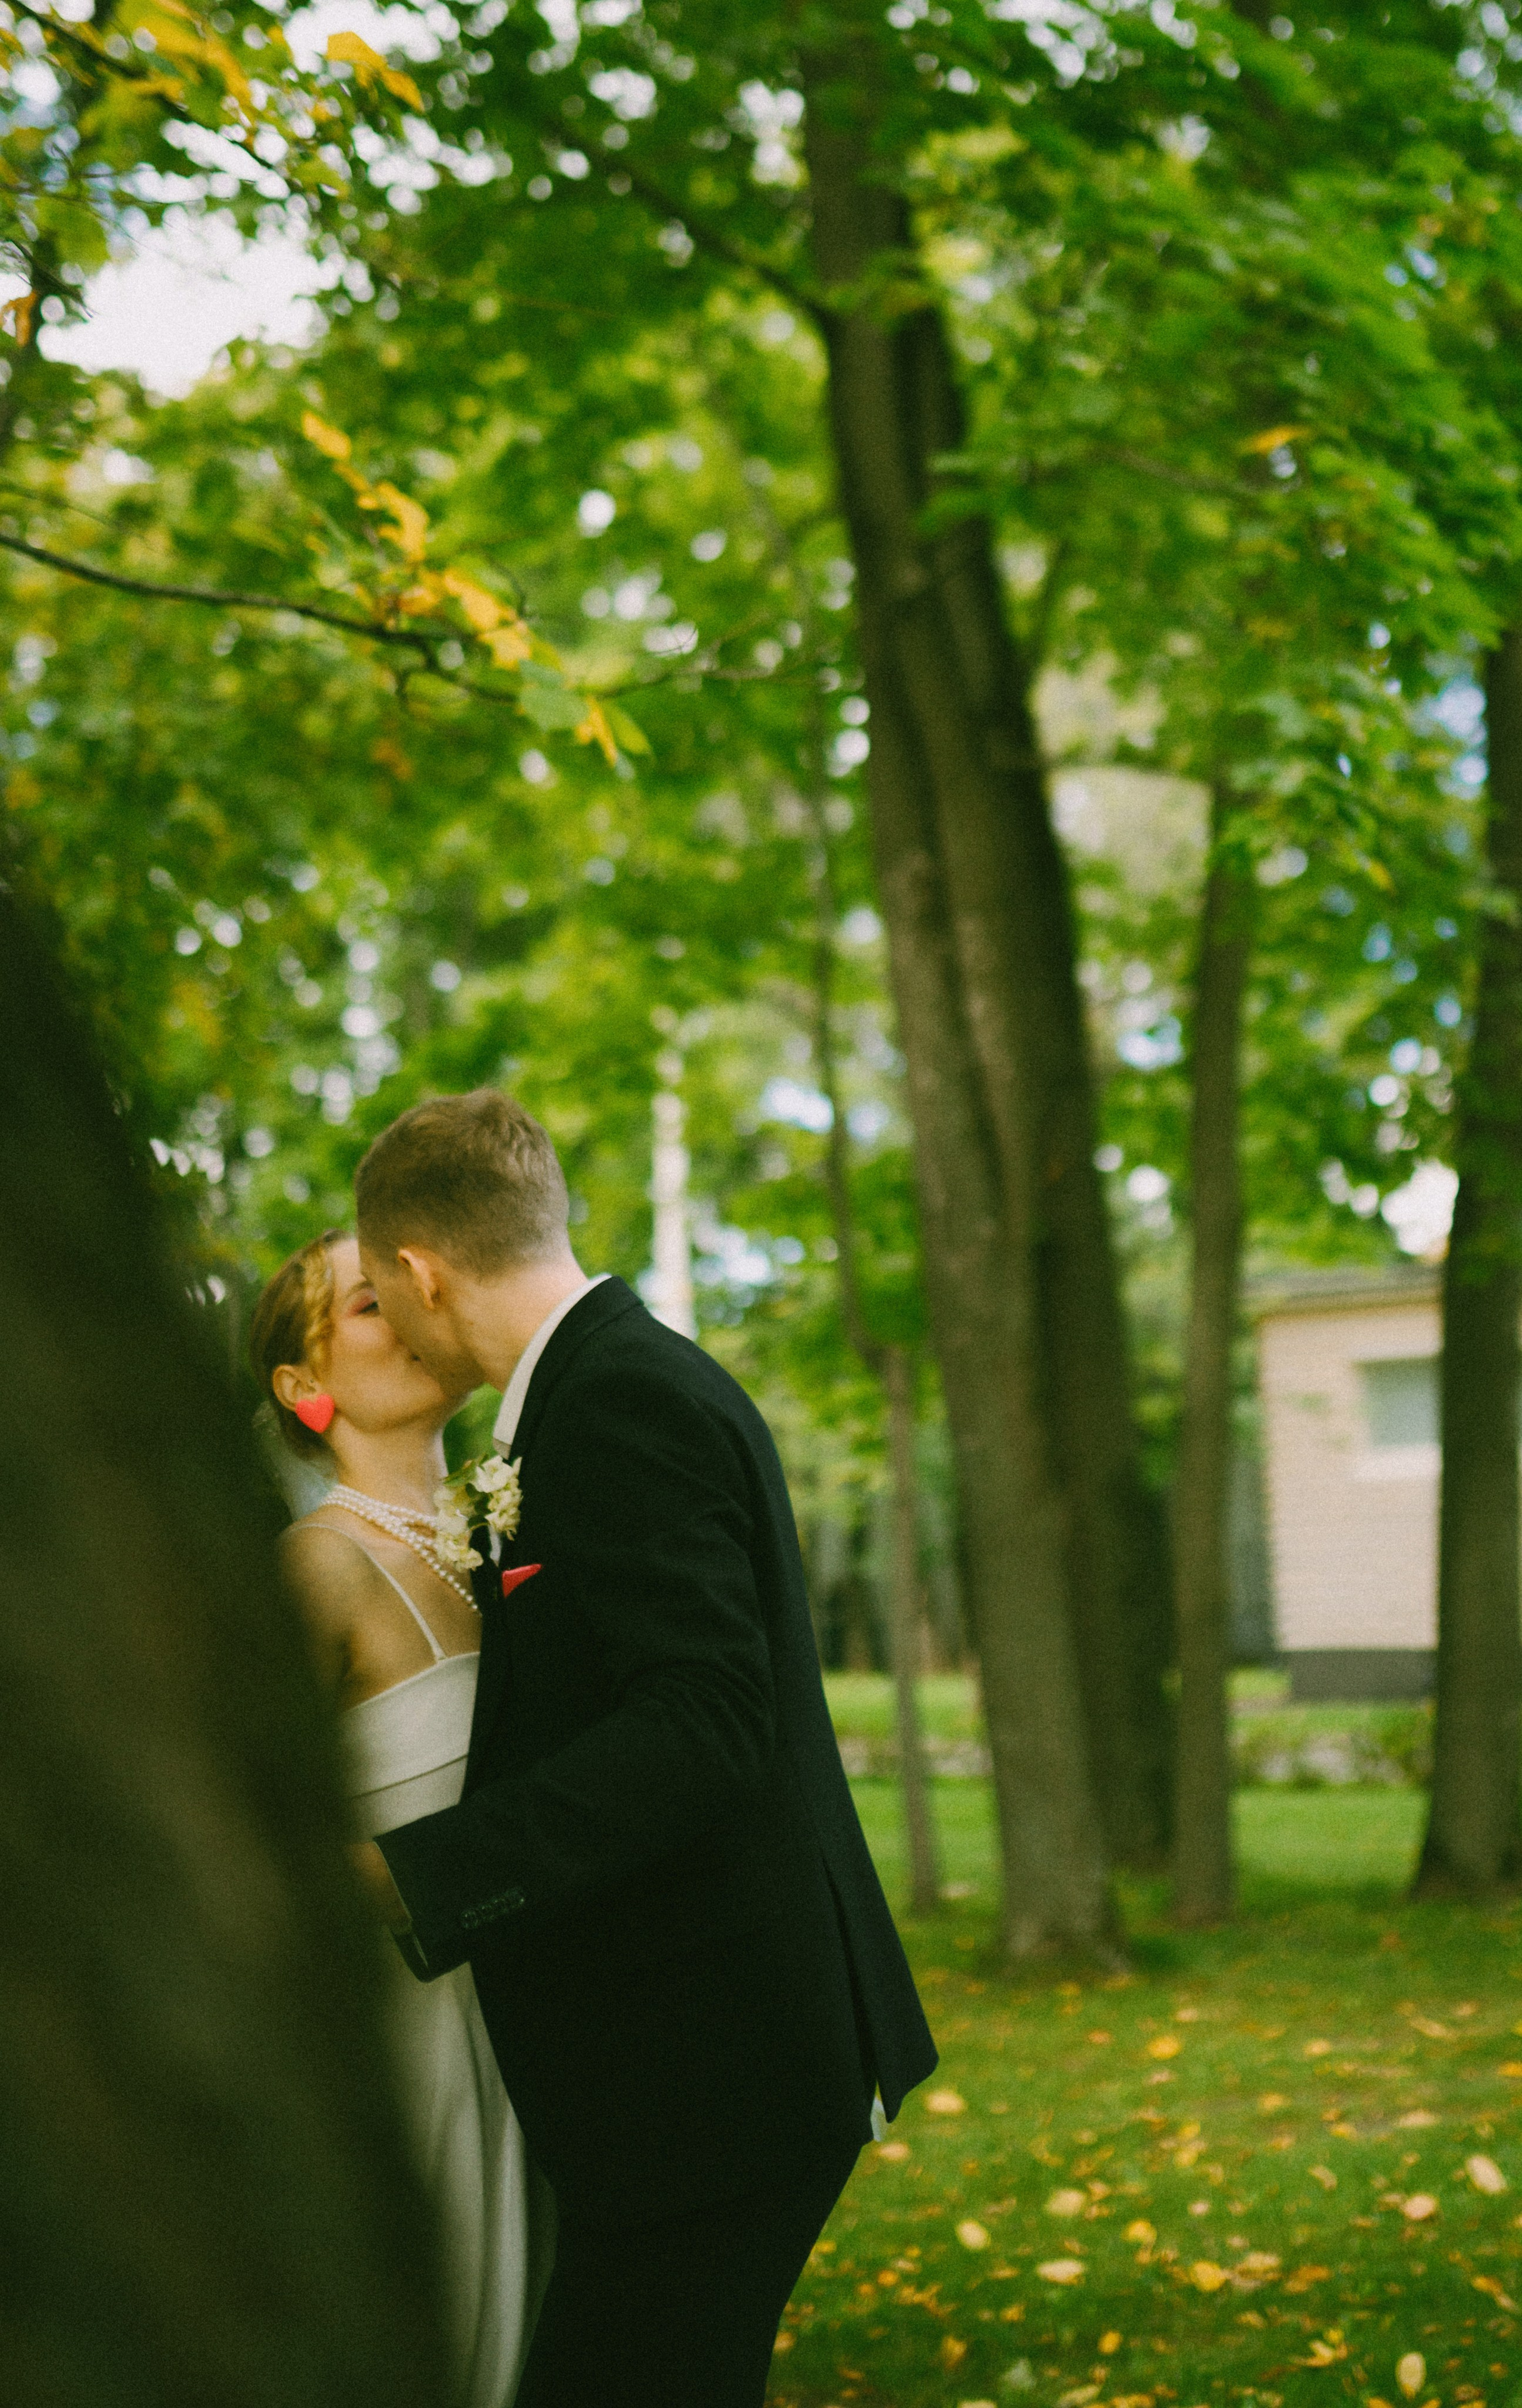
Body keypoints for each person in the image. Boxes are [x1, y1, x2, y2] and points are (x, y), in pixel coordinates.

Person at [347, 1087, 938, 2408]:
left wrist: (416, 1874)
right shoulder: (605, 1380)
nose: (390, 1320)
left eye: (381, 1293)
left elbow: (702, 1723)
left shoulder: (616, 1401)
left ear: (424, 1272)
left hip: (715, 2073)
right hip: (701, 2062)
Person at [250, 1230, 538, 2408]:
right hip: (412, 2032)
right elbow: (259, 1842)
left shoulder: (495, 1546)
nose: (415, 1315)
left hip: (536, 2018)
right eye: (371, 1305)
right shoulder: (315, 1566)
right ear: (304, 1385)